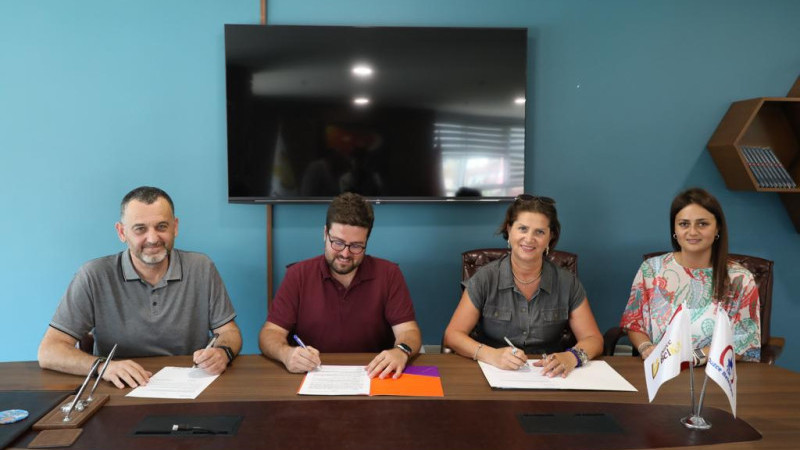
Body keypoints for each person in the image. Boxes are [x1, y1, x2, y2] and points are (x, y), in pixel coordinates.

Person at [38, 186, 242, 388]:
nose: (152, 239)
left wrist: (223, 352)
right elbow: (49, 351)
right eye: (140, 229)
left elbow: (229, 332)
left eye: (161, 226)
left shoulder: (201, 267)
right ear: (122, 232)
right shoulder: (93, 275)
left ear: (175, 227)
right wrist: (104, 367)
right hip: (119, 387)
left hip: (190, 386)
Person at [259, 192, 422, 379]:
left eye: (356, 246)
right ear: (325, 234)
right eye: (338, 243)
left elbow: (409, 331)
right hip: (311, 376)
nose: (345, 254)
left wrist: (401, 351)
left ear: (367, 241)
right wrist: (286, 353)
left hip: (373, 377)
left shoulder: (389, 274)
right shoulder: (298, 275)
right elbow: (270, 333)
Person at [443, 194, 603, 377]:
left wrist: (572, 357)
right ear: (509, 230)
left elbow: (593, 339)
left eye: (539, 232)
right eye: (523, 229)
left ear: (550, 237)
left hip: (550, 374)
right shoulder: (485, 278)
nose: (529, 238)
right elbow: (453, 335)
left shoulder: (567, 282)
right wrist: (491, 355)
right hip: (494, 371)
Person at [620, 188, 761, 364]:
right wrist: (646, 348)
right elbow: (634, 322)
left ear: (717, 228)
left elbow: (744, 342)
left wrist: (691, 358)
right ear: (674, 229)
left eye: (702, 224)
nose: (692, 232)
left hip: (716, 371)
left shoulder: (740, 279)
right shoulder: (651, 269)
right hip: (660, 370)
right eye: (684, 224)